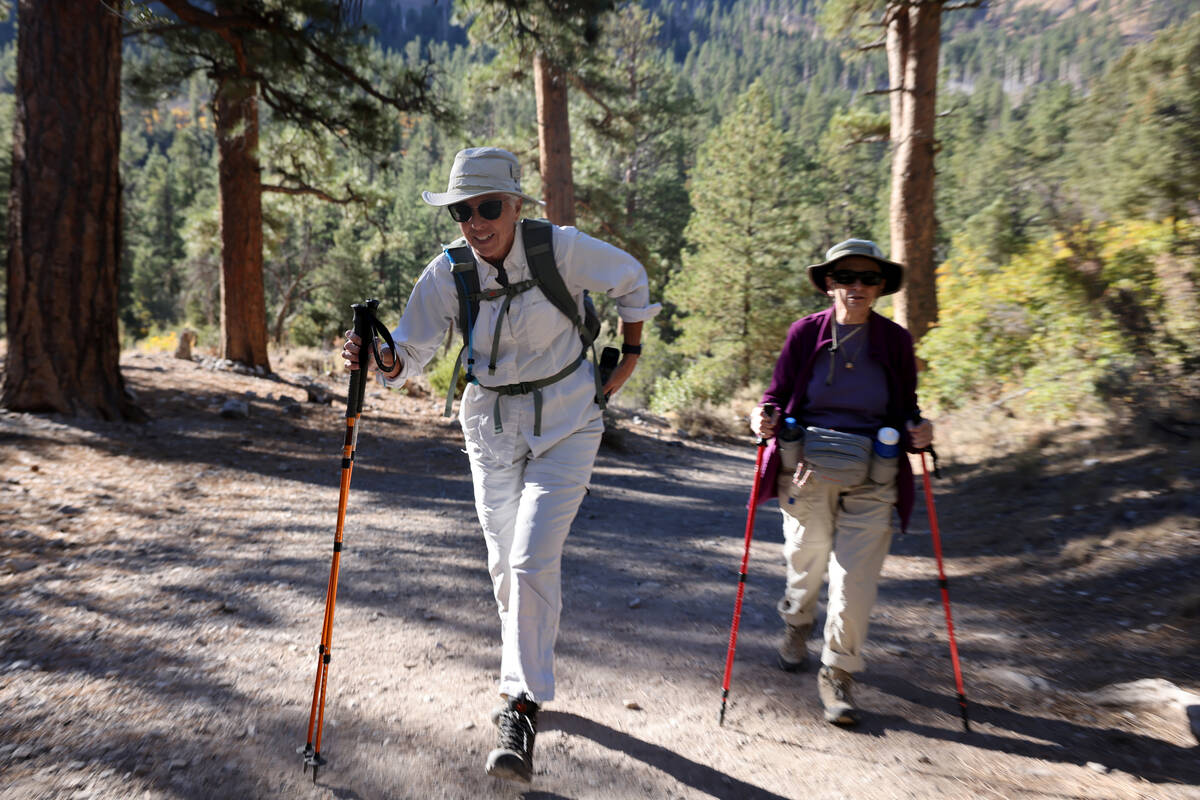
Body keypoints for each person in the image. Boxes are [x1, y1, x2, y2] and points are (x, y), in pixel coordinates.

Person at [343, 147, 660, 783]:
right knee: (502, 560)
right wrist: (377, 355)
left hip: (569, 423)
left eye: (489, 206)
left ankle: (519, 704)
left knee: (529, 556)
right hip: (489, 426)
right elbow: (410, 352)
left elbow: (630, 276)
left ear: (516, 204)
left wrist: (627, 358)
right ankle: (528, 671)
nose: (476, 221)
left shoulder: (560, 249)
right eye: (464, 210)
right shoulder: (448, 271)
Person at [748, 238, 933, 726]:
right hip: (807, 469)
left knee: (856, 579)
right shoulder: (804, 334)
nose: (857, 287)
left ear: (880, 287)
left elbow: (907, 408)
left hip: (875, 470)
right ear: (830, 283)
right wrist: (761, 419)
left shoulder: (894, 340)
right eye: (846, 278)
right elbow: (775, 396)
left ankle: (838, 672)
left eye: (868, 279)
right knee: (805, 564)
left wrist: (919, 429)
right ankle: (797, 621)